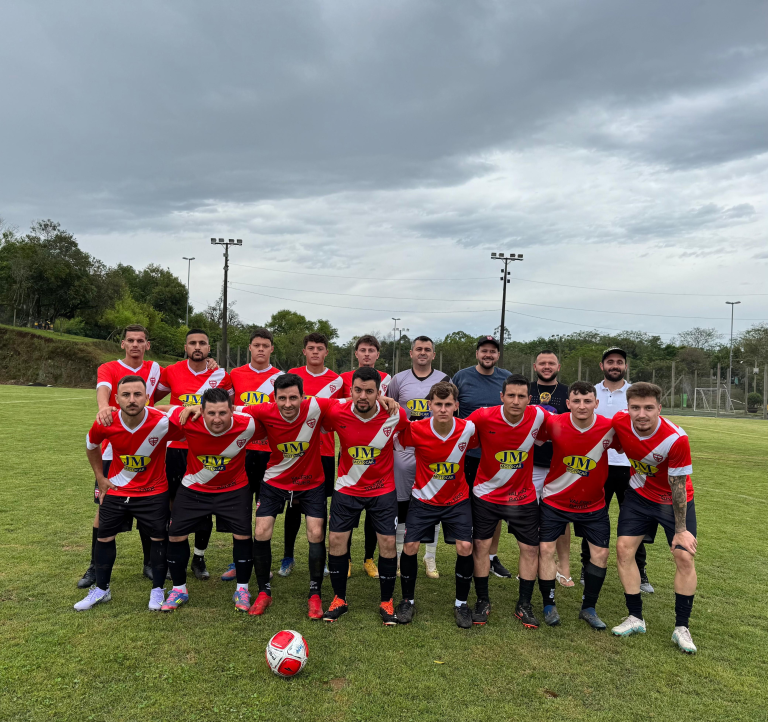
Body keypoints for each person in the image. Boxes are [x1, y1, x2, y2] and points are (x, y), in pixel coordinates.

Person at [75, 376, 183, 611]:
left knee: (158, 539)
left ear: (147, 397)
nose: (132, 400)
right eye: (126, 395)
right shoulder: (107, 421)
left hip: (153, 491)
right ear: (116, 399)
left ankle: (157, 590)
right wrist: (100, 478)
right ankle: (102, 590)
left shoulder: (162, 422)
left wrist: (188, 408)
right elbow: (91, 445)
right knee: (103, 537)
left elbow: (192, 426)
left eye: (137, 394)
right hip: (117, 489)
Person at [610, 383, 698, 654]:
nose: (642, 414)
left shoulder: (675, 438)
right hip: (639, 496)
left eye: (649, 408)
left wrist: (681, 530)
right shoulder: (620, 422)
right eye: (635, 407)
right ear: (628, 409)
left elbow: (678, 486)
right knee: (624, 550)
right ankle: (635, 617)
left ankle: (681, 627)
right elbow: (617, 445)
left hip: (673, 501)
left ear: (659, 408)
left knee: (683, 556)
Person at [77, 324, 162, 589]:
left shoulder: (156, 369)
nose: (135, 344)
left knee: (149, 509)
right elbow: (103, 390)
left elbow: (176, 386)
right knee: (104, 511)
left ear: (147, 345)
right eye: (130, 340)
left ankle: (149, 563)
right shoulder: (109, 368)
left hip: (147, 446)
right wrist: (104, 409)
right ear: (123, 344)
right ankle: (94, 566)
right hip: (114, 453)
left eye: (140, 340)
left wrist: (210, 362)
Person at [321, 367, 409, 624]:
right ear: (350, 391)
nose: (363, 396)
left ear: (379, 392)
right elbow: (310, 404)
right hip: (347, 488)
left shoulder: (395, 414)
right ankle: (339, 598)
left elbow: (408, 431)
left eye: (369, 391)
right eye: (358, 390)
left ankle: (386, 601)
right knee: (336, 540)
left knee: (388, 544)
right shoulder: (337, 411)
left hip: (382, 490)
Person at [159, 388, 256, 613]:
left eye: (223, 413)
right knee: (175, 536)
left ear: (233, 411)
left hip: (234, 489)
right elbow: (159, 410)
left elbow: (271, 414)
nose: (217, 419)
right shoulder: (189, 420)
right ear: (201, 411)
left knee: (243, 535)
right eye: (210, 413)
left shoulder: (247, 423)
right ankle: (179, 589)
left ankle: (242, 589)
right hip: (194, 488)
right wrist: (186, 408)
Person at [467, 374, 549, 627]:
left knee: (530, 549)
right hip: (486, 493)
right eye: (510, 395)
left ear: (529, 399)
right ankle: (482, 600)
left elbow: (565, 428)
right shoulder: (482, 416)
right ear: (501, 397)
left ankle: (524, 603)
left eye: (521, 396)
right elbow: (458, 434)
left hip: (522, 496)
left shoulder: (538, 416)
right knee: (481, 546)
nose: (515, 401)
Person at [394, 381, 478, 629]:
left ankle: (461, 603)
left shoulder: (469, 429)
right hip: (423, 499)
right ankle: (407, 600)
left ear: (456, 406)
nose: (443, 409)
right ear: (429, 405)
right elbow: (395, 439)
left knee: (465, 546)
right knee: (410, 546)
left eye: (448, 404)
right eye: (438, 404)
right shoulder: (416, 429)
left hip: (457, 500)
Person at [537, 381, 620, 630]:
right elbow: (531, 440)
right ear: (568, 403)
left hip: (593, 503)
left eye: (587, 401)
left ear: (596, 403)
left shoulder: (610, 427)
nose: (582, 406)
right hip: (555, 499)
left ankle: (589, 608)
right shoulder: (553, 423)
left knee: (601, 554)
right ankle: (549, 605)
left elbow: (632, 446)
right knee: (546, 550)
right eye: (577, 401)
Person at [154, 328, 233, 581]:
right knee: (173, 504)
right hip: (176, 448)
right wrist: (180, 409)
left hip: (206, 449)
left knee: (203, 505)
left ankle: (199, 557)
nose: (197, 346)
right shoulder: (171, 371)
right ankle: (170, 555)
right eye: (192, 343)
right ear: (185, 347)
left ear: (210, 348)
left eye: (202, 343)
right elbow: (152, 404)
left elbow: (232, 408)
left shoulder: (222, 375)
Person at [583, 348, 653, 593]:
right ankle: (586, 567)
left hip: (630, 467)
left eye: (619, 362)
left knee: (634, 521)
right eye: (610, 362)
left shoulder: (635, 393)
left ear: (625, 366)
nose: (615, 365)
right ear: (602, 365)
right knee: (591, 517)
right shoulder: (590, 393)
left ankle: (641, 572)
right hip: (596, 465)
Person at [222, 328, 283, 581]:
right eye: (256, 345)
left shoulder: (280, 377)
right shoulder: (235, 374)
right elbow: (222, 406)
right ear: (249, 348)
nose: (260, 349)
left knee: (264, 510)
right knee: (240, 506)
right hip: (241, 450)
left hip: (269, 452)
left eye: (265, 345)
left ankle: (260, 561)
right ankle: (239, 560)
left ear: (271, 349)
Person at [386, 336, 450, 579]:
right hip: (404, 449)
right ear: (411, 353)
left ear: (434, 354)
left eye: (428, 350)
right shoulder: (398, 380)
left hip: (433, 450)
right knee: (402, 503)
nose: (423, 353)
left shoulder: (444, 379)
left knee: (433, 501)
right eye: (419, 349)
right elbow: (391, 411)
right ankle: (402, 556)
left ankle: (429, 557)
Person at [283, 333, 344, 578]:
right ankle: (288, 556)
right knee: (293, 504)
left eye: (320, 348)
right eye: (311, 348)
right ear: (304, 351)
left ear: (327, 352)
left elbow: (349, 405)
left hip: (325, 451)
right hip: (296, 452)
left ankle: (323, 557)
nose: (315, 352)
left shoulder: (337, 381)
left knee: (320, 506)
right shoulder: (292, 375)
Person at [452, 335, 513, 579]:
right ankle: (466, 552)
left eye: (493, 351)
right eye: (484, 351)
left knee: (494, 506)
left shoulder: (505, 378)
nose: (488, 355)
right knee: (465, 504)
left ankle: (491, 556)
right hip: (467, 454)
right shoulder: (462, 376)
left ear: (497, 355)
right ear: (477, 353)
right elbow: (450, 407)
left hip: (496, 457)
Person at [338, 334, 392, 579]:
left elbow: (394, 409)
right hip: (352, 448)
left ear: (377, 354)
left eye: (371, 350)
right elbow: (336, 405)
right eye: (363, 350)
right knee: (348, 511)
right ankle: (345, 558)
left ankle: (369, 558)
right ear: (356, 354)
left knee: (375, 513)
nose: (367, 354)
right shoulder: (343, 378)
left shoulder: (388, 378)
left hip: (378, 447)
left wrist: (385, 399)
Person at [529, 350, 574, 587]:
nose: (547, 367)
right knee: (532, 515)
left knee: (561, 517)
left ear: (558, 366)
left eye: (551, 363)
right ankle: (534, 563)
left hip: (560, 464)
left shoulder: (568, 392)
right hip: (531, 463)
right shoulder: (525, 390)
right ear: (535, 366)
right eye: (542, 363)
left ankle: (563, 567)